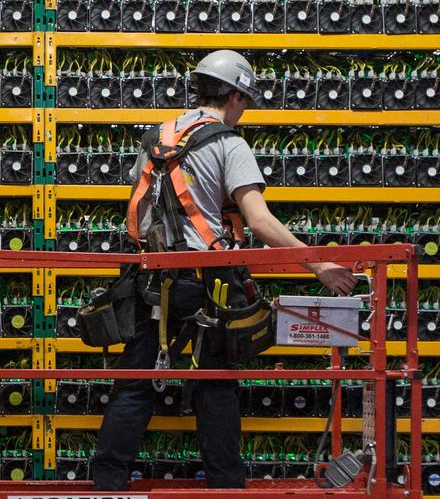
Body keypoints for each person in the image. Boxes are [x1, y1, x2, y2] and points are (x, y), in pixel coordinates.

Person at [90, 49, 358, 491]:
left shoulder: (157, 136)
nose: (244, 110)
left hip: (151, 281)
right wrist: (321, 265)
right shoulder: (229, 143)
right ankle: (225, 486)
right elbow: (259, 220)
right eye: (245, 101)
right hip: (206, 285)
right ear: (233, 95)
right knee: (216, 386)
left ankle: (107, 484)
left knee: (135, 382)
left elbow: (139, 209)